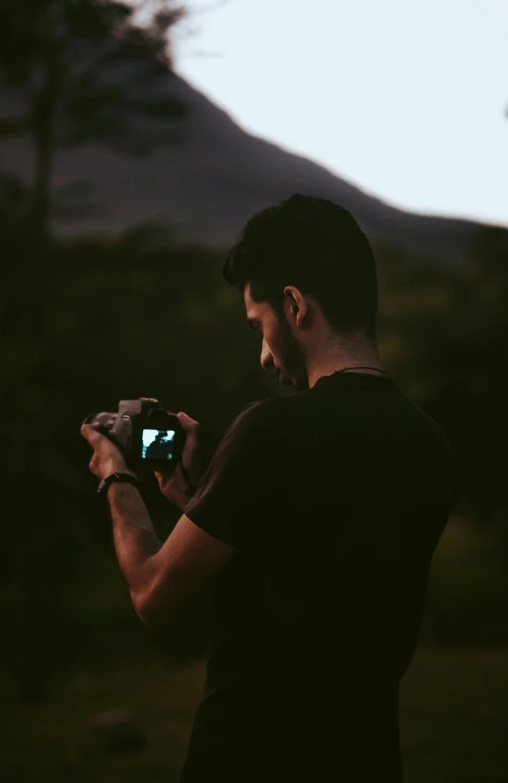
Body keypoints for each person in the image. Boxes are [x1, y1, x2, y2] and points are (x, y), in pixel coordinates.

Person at [81, 194, 457, 782]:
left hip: (249, 758)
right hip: (368, 759)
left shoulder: (273, 430)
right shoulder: (430, 444)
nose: (262, 354)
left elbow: (152, 595)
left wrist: (118, 475)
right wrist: (195, 495)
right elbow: (307, 564)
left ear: (295, 306)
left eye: (259, 326)